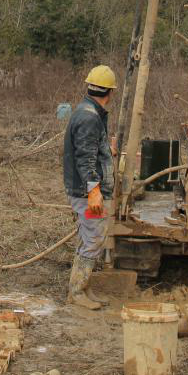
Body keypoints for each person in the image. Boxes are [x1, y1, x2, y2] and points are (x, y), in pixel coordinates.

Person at [62, 64, 118, 310]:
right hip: (86, 194)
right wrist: (94, 191)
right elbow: (85, 158)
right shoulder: (89, 117)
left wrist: (107, 149)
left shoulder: (89, 112)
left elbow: (91, 151)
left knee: (89, 236)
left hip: (87, 191)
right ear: (110, 92)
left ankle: (83, 287)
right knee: (94, 237)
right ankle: (76, 291)